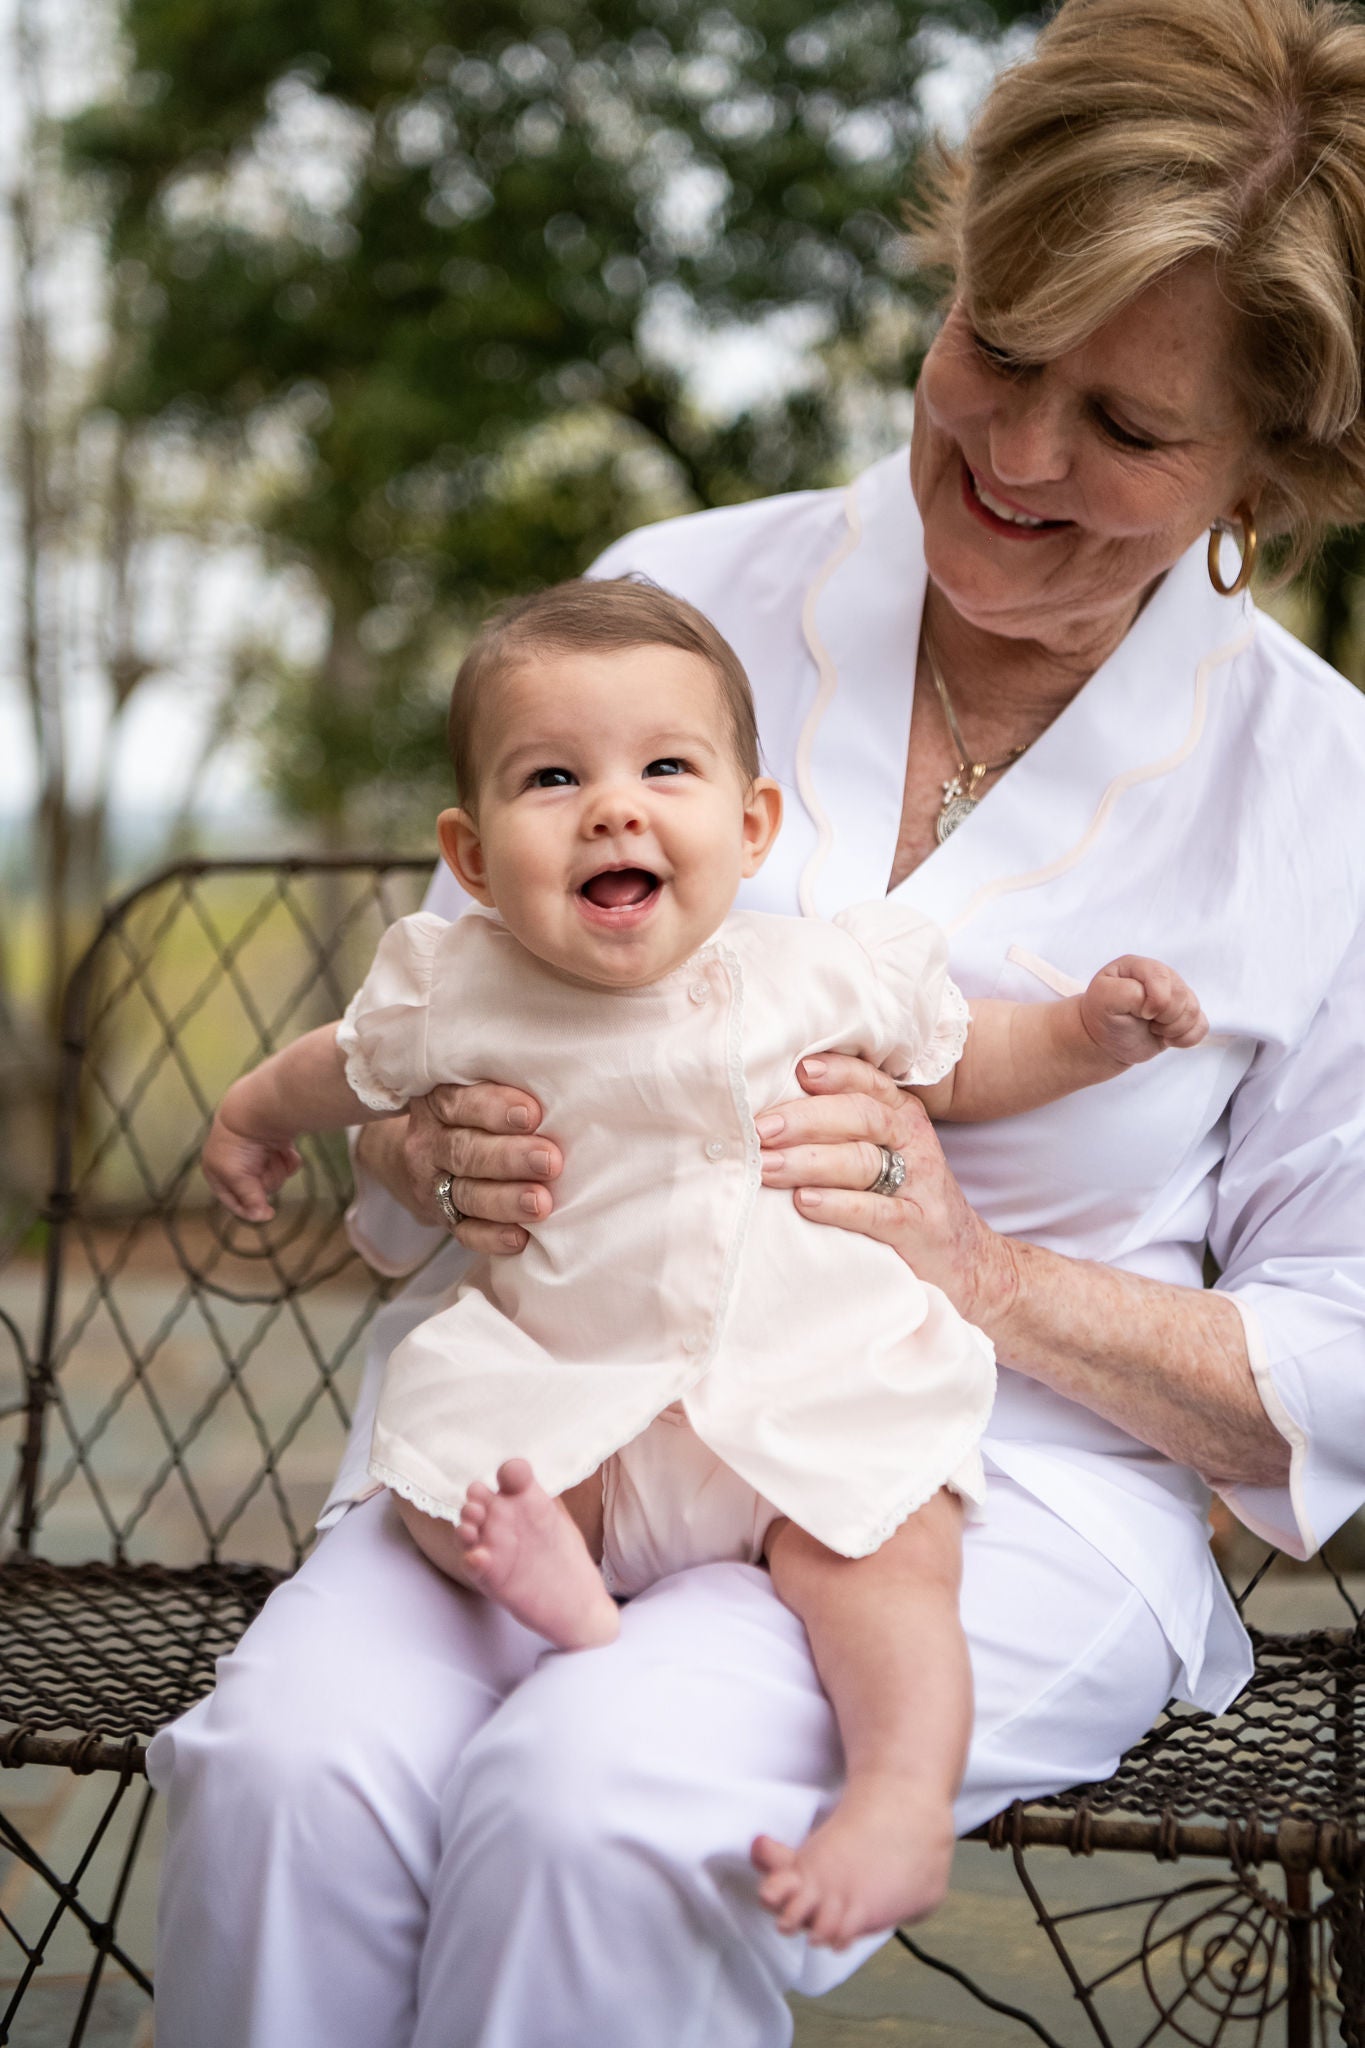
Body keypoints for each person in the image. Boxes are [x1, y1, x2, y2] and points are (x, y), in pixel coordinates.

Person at [148, 0, 1365, 2041]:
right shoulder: (668, 599)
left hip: (971, 1494)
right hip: (555, 1435)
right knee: (288, 1770)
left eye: (1130, 427)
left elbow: (1335, 1363)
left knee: (602, 1801)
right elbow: (410, 1102)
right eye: (992, 342)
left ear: (1281, 464)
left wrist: (973, 1263)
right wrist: (421, 1153)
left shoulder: (1321, 797)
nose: (1010, 454)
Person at [199, 576, 1208, 1948]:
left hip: (807, 1395)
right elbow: (337, 1066)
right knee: (451, 1472)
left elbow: (967, 1057)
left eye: (662, 769)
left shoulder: (815, 973)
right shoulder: (461, 986)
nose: (613, 806)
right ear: (476, 854)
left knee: (892, 1564)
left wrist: (1090, 1033)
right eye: (552, 777)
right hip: (578, 1389)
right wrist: (253, 1115)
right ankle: (559, 1596)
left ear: (746, 829)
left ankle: (900, 1800)